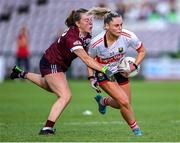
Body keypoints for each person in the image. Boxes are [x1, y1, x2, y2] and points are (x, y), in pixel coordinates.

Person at [10, 8, 115, 135]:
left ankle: (21, 73)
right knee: (65, 96)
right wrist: (106, 70)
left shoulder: (86, 35)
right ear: (77, 23)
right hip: (51, 63)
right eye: (86, 20)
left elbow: (89, 57)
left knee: (50, 87)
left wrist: (91, 78)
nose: (90, 23)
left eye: (91, 20)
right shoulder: (72, 37)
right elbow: (86, 59)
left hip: (57, 65)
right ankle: (47, 128)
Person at [87, 7, 146, 136]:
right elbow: (89, 60)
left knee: (123, 104)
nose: (120, 28)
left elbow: (142, 51)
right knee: (124, 102)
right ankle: (137, 131)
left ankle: (103, 101)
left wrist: (134, 66)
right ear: (106, 26)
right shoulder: (96, 43)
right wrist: (91, 78)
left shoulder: (128, 36)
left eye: (121, 25)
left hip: (120, 70)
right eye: (116, 25)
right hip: (104, 72)